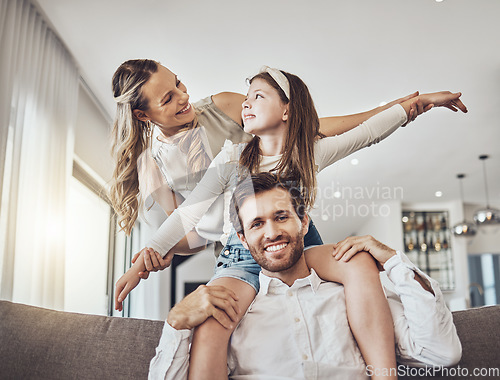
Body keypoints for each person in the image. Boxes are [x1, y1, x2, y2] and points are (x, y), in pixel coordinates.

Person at [113, 65, 467, 379]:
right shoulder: (233, 157)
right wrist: (146, 258)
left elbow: (368, 133)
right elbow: (188, 213)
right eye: (247, 97)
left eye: (257, 96)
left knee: (360, 263)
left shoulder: (308, 154)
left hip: (303, 244)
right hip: (240, 255)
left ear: (286, 110)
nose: (245, 104)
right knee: (212, 317)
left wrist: (416, 106)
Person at [148, 172, 462, 379]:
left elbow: (441, 353)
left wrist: (392, 259)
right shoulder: (232, 315)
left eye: (281, 217)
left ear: (304, 222)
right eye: (257, 224)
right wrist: (175, 322)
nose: (271, 233)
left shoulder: (353, 294)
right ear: (242, 239)